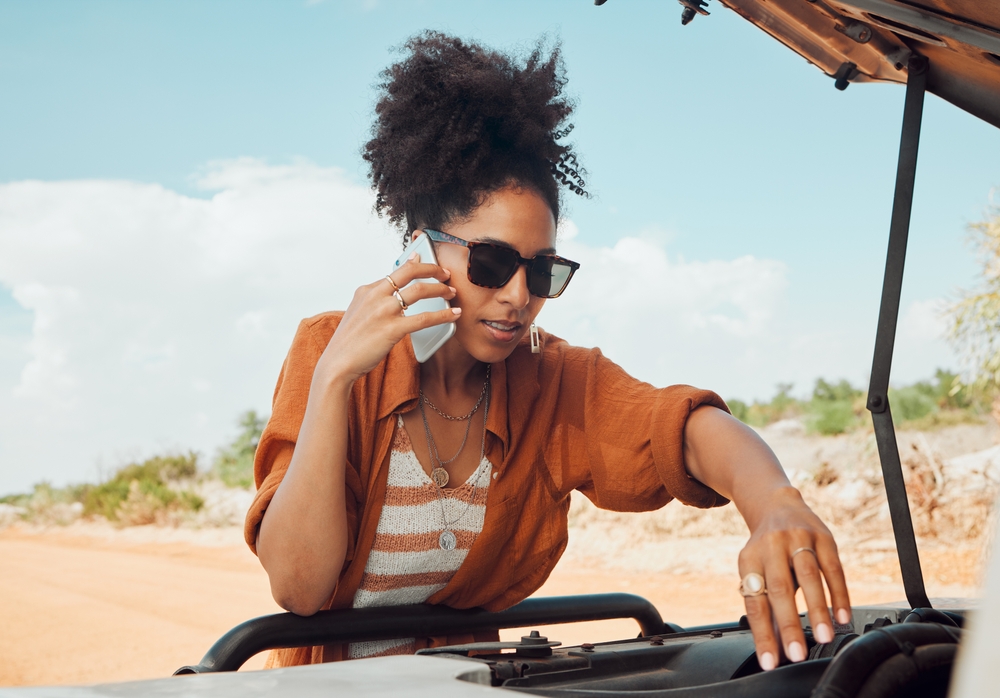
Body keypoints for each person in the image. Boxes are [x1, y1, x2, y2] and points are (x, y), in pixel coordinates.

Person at [245, 31, 850, 671]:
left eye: (541, 273)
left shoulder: (553, 380)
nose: (517, 296)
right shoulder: (329, 349)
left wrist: (775, 504)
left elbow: (682, 427)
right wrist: (336, 377)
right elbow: (299, 587)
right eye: (493, 261)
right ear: (420, 247)